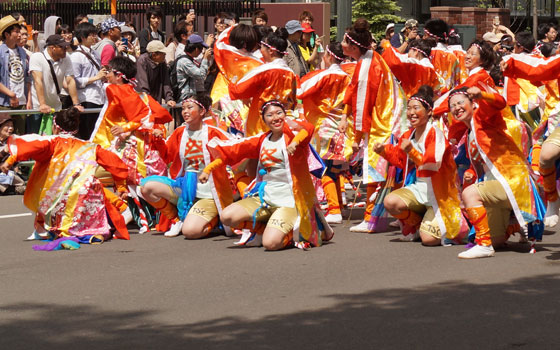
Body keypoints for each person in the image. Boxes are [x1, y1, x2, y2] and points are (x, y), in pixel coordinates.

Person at [206, 100, 334, 250]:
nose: (275, 118)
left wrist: (294, 143)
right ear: (264, 119)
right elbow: (234, 151)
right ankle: (262, 229)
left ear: (285, 115)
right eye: (270, 115)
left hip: (290, 201)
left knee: (271, 244)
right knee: (227, 216)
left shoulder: (294, 135)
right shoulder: (262, 140)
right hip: (266, 197)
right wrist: (208, 169)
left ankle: (295, 233)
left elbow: (308, 129)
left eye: (279, 113)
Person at [0, 107, 130, 242]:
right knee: (91, 183)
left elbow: (28, 146)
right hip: (86, 195)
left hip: (60, 195)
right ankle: (113, 213)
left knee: (48, 192)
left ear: (56, 127)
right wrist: (121, 187)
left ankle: (50, 228)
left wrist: (10, 160)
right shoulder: (90, 146)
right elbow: (116, 165)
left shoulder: (52, 142)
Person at [447, 87, 537, 258]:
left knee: (470, 194)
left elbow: (500, 103)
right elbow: (483, 163)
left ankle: (484, 245)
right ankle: (516, 224)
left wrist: (483, 95)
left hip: (512, 180)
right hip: (495, 184)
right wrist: (472, 173)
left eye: (460, 102)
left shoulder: (483, 117)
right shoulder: (468, 133)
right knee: (497, 241)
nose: (456, 107)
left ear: (473, 104)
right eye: (452, 105)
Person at [342, 18, 407, 233]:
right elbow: (351, 92)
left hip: (383, 124)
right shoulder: (370, 59)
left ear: (353, 46)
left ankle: (371, 219)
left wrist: (356, 140)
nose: (340, 44)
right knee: (393, 170)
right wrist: (344, 115)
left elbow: (363, 107)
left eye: (344, 41)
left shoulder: (367, 67)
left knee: (375, 171)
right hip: (393, 120)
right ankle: (404, 217)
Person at [377, 86, 463, 245]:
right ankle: (416, 223)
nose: (411, 113)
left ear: (429, 111)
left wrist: (412, 151)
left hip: (440, 194)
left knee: (429, 240)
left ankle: (433, 220)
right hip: (419, 189)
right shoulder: (408, 134)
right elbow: (400, 160)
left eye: (416, 108)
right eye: (409, 108)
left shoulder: (435, 133)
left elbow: (432, 164)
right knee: (390, 202)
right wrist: (384, 151)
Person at [141, 94, 234, 238]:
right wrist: (158, 140)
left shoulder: (215, 133)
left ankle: (215, 221)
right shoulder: (179, 132)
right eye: (183, 108)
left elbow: (235, 152)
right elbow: (167, 156)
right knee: (146, 187)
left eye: (190, 108)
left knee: (191, 232)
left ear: (202, 111)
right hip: (184, 185)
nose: (185, 111)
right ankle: (176, 219)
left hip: (208, 193)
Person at [297, 42, 352, 224]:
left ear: (329, 56)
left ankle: (334, 208)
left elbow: (301, 91)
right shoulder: (348, 76)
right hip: (342, 126)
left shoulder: (324, 76)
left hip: (325, 127)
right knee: (334, 168)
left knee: (324, 168)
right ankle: (338, 206)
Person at [229, 29, 297, 137]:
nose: (260, 50)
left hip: (262, 120)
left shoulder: (264, 70)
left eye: (262, 47)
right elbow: (293, 99)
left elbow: (238, 90)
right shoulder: (291, 73)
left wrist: (232, 81)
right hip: (282, 120)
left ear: (271, 51)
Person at [29, 34, 83, 135]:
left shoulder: (66, 59)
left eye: (66, 46)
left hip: (55, 106)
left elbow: (70, 80)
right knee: (35, 138)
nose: (65, 49)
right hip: (37, 107)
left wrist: (76, 103)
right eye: (62, 47)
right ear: (52, 48)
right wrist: (42, 104)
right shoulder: (37, 57)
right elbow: (38, 80)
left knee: (54, 139)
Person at [71, 22, 108, 140]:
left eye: (94, 34)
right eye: (91, 35)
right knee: (87, 133)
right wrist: (96, 78)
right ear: (82, 37)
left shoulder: (95, 53)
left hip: (99, 97)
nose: (94, 37)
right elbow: (74, 81)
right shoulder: (76, 56)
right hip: (86, 98)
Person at [0, 16, 31, 135]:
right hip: (4, 103)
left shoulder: (22, 52)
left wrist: (28, 99)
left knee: (19, 137)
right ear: (7, 34)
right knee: (4, 136)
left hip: (21, 102)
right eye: (16, 32)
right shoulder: (1, 52)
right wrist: (11, 94)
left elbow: (27, 77)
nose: (19, 35)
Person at [423, 18, 461, 93]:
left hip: (428, 94)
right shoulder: (453, 56)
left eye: (425, 35)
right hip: (446, 96)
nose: (424, 38)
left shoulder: (427, 53)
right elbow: (456, 82)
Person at [136, 40, 176, 107]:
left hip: (156, 100)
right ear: (154, 54)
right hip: (144, 102)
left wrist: (169, 98)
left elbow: (166, 82)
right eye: (163, 54)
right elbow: (143, 85)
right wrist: (150, 101)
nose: (165, 55)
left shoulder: (162, 62)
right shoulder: (142, 61)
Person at [175, 35, 211, 102]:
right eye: (201, 49)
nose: (201, 51)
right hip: (184, 99)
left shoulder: (188, 59)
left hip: (188, 98)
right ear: (196, 49)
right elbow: (201, 74)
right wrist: (205, 59)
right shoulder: (184, 61)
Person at [0, 115, 25, 195]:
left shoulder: (12, 141)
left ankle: (9, 189)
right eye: (7, 125)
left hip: (7, 172)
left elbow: (16, 160)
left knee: (21, 185)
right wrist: (4, 152)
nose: (10, 128)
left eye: (12, 126)